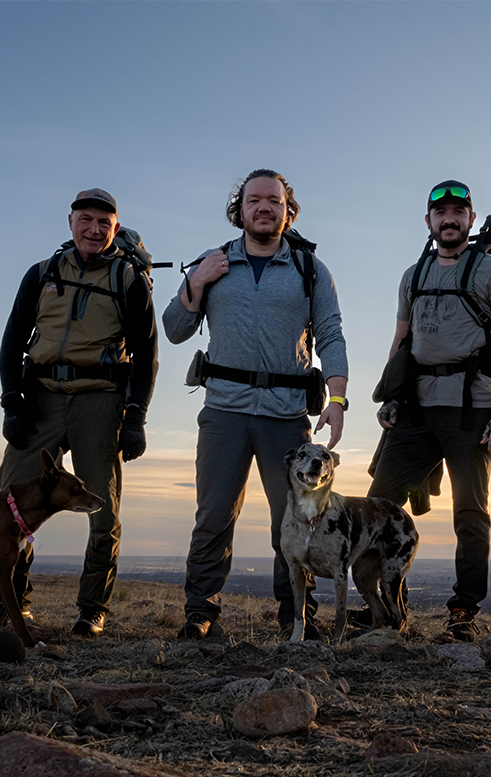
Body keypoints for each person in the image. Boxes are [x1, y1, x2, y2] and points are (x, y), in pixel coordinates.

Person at [163, 169, 348, 640]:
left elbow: (331, 334)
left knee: (294, 519)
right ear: (239, 209)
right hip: (224, 411)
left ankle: (295, 617)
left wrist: (338, 397)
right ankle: (200, 613)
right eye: (254, 200)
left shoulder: (310, 269)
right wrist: (196, 283)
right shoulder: (214, 262)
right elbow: (174, 329)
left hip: (286, 417)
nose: (264, 207)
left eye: (274, 200)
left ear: (288, 210)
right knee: (213, 515)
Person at [365, 180, 491, 642]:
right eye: (441, 213)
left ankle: (464, 611)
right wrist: (390, 394)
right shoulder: (412, 276)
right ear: (429, 221)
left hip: (470, 408)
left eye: (459, 211)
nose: (450, 219)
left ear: (471, 219)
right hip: (415, 406)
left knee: (470, 512)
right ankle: (388, 607)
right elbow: (400, 341)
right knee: (379, 507)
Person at [0, 188, 158, 638]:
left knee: (100, 507)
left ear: (115, 228)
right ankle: (14, 605)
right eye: (85, 220)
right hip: (41, 394)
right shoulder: (42, 273)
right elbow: (12, 341)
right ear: (70, 222)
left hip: (99, 399)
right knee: (14, 501)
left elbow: (146, 355)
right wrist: (12, 402)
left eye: (103, 223)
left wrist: (135, 417)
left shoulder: (128, 279)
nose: (93, 229)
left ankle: (92, 611)